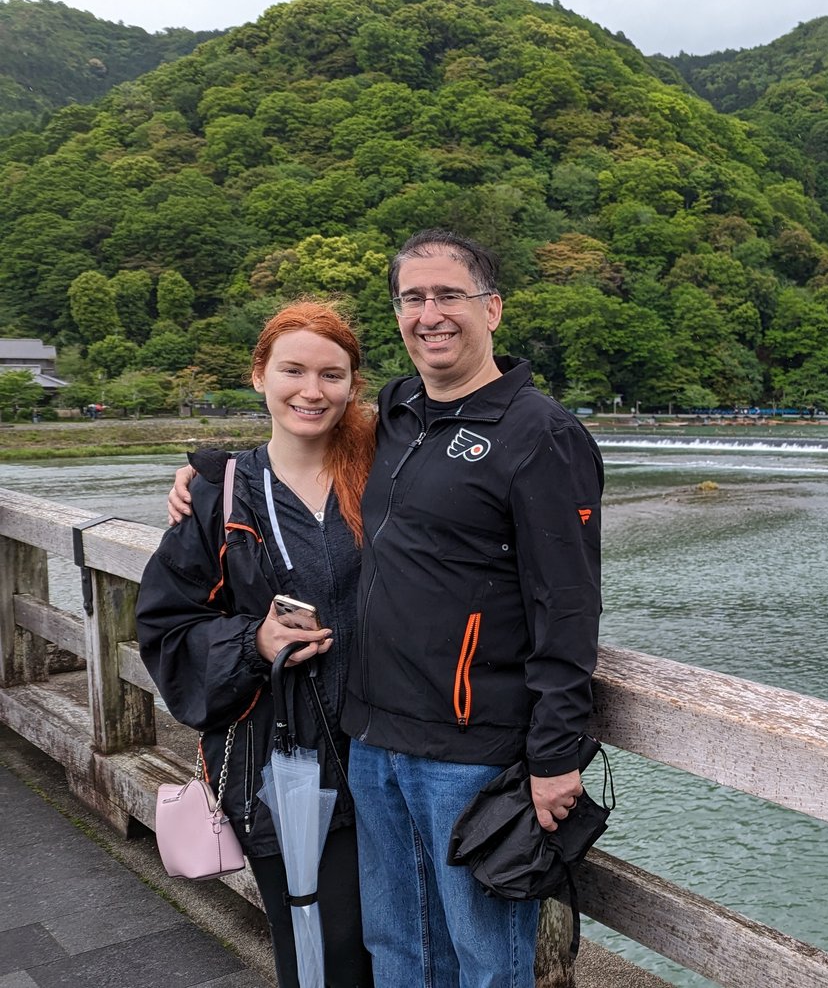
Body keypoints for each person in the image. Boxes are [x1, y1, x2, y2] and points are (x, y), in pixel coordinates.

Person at [169, 230, 604, 987]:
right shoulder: (401, 413)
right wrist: (209, 470)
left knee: (485, 961)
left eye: (449, 296)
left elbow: (567, 609)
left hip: (472, 753)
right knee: (400, 950)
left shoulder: (542, 435)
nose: (430, 314)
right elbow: (304, 423)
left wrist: (558, 754)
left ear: (492, 309)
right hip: (371, 742)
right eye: (413, 299)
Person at [138, 300, 376, 988]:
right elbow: (166, 622)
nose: (312, 390)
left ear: (354, 385)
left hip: (391, 754)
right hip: (284, 767)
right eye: (293, 370)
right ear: (259, 376)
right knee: (318, 950)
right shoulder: (221, 494)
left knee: (399, 942)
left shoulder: (386, 474)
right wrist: (254, 640)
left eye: (332, 374)